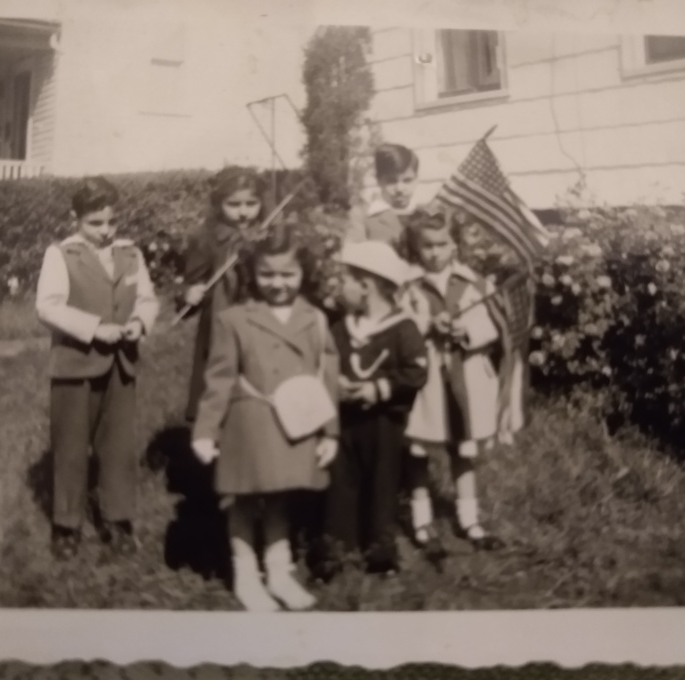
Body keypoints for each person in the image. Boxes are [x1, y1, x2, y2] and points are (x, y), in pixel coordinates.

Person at [191, 222, 340, 612]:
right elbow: (219, 379)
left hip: (296, 423)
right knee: (243, 500)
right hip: (250, 423)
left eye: (287, 274)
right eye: (267, 274)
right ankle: (245, 574)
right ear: (252, 273)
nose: (277, 283)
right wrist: (206, 431)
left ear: (304, 272)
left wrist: (330, 432)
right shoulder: (235, 319)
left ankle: (278, 572)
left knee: (279, 499)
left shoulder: (314, 319)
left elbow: (326, 379)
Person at [35, 176, 160, 561]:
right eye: (95, 223)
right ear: (76, 219)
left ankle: (118, 520)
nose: (106, 231)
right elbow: (48, 306)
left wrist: (139, 323)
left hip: (121, 363)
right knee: (71, 448)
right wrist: (94, 329)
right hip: (75, 365)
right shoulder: (61, 254)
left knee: (118, 447)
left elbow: (147, 298)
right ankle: (66, 525)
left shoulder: (130, 253)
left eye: (111, 221)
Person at [318, 241, 428, 580]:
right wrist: (335, 382)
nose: (338, 287)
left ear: (365, 287)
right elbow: (326, 361)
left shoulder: (403, 329)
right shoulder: (341, 328)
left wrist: (377, 388)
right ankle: (336, 548)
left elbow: (416, 372)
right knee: (340, 480)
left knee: (382, 483)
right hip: (346, 421)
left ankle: (380, 552)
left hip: (384, 422)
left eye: (344, 280)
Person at [400, 210, 505, 554]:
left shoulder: (474, 283)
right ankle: (421, 520)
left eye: (441, 244)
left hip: (464, 378)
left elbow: (492, 325)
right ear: (416, 247)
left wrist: (467, 331)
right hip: (427, 378)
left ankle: (468, 519)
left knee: (463, 447)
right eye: (426, 246)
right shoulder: (407, 286)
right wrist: (427, 325)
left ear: (454, 245)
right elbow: (399, 325)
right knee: (418, 448)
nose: (434, 252)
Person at [182, 167, 267, 423]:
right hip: (221, 319)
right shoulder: (208, 239)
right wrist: (189, 294)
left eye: (251, 204)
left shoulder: (266, 233)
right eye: (234, 204)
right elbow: (194, 280)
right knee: (221, 377)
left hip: (260, 317)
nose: (243, 212)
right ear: (219, 204)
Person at [347, 144, 430, 254]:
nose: (400, 189)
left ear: (417, 180)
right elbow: (355, 258)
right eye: (391, 181)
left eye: (407, 180)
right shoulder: (361, 216)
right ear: (379, 181)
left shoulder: (428, 214)